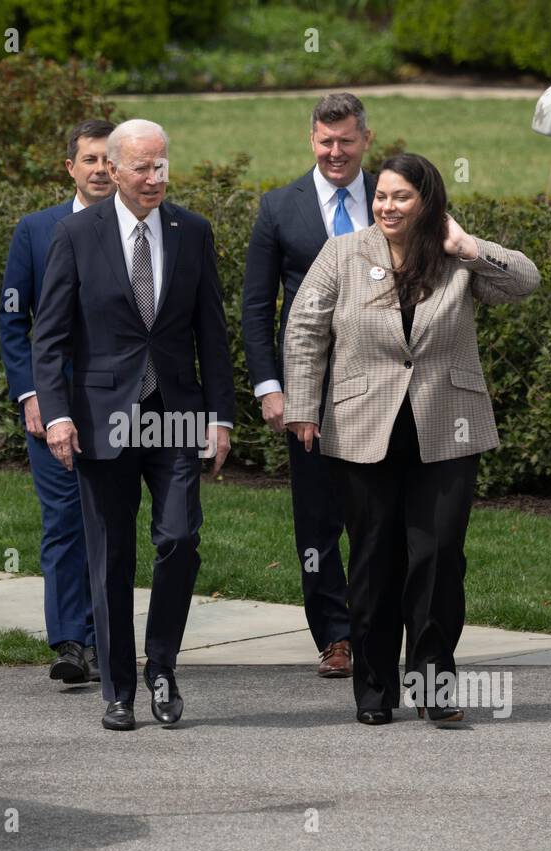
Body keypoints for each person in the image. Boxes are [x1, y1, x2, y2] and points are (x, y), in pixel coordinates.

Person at [282, 153, 539, 726]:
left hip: (446, 429)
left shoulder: (454, 257)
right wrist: (301, 405)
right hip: (361, 430)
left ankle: (435, 685)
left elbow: (525, 281)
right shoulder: (344, 253)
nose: (387, 206)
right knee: (374, 559)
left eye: (401, 197)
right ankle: (374, 690)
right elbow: (304, 328)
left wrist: (468, 246)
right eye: (381, 196)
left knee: (439, 555)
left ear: (427, 201)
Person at [31, 119, 236, 731]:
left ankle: (164, 668)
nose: (154, 178)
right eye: (142, 168)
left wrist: (220, 417)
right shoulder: (75, 234)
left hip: (173, 413)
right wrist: (59, 414)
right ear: (113, 171)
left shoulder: (192, 232)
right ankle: (118, 687)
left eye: (161, 166)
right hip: (101, 418)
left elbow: (212, 335)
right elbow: (50, 335)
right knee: (110, 554)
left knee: (177, 539)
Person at [241, 93, 377, 679]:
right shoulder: (279, 207)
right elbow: (254, 306)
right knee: (318, 520)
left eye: (346, 140)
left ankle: (377, 626)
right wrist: (271, 387)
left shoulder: (394, 196)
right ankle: (335, 636)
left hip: (381, 389)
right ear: (311, 140)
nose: (335, 152)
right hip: (309, 393)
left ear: (365, 140)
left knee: (377, 515)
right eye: (325, 141)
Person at [0, 118, 115, 686]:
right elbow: (14, 322)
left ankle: (107, 638)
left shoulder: (142, 230)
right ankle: (71, 642)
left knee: (111, 523)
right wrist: (32, 395)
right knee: (66, 520)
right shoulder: (36, 231)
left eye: (107, 159)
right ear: (70, 167)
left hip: (120, 405)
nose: (98, 169)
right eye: (88, 159)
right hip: (54, 405)